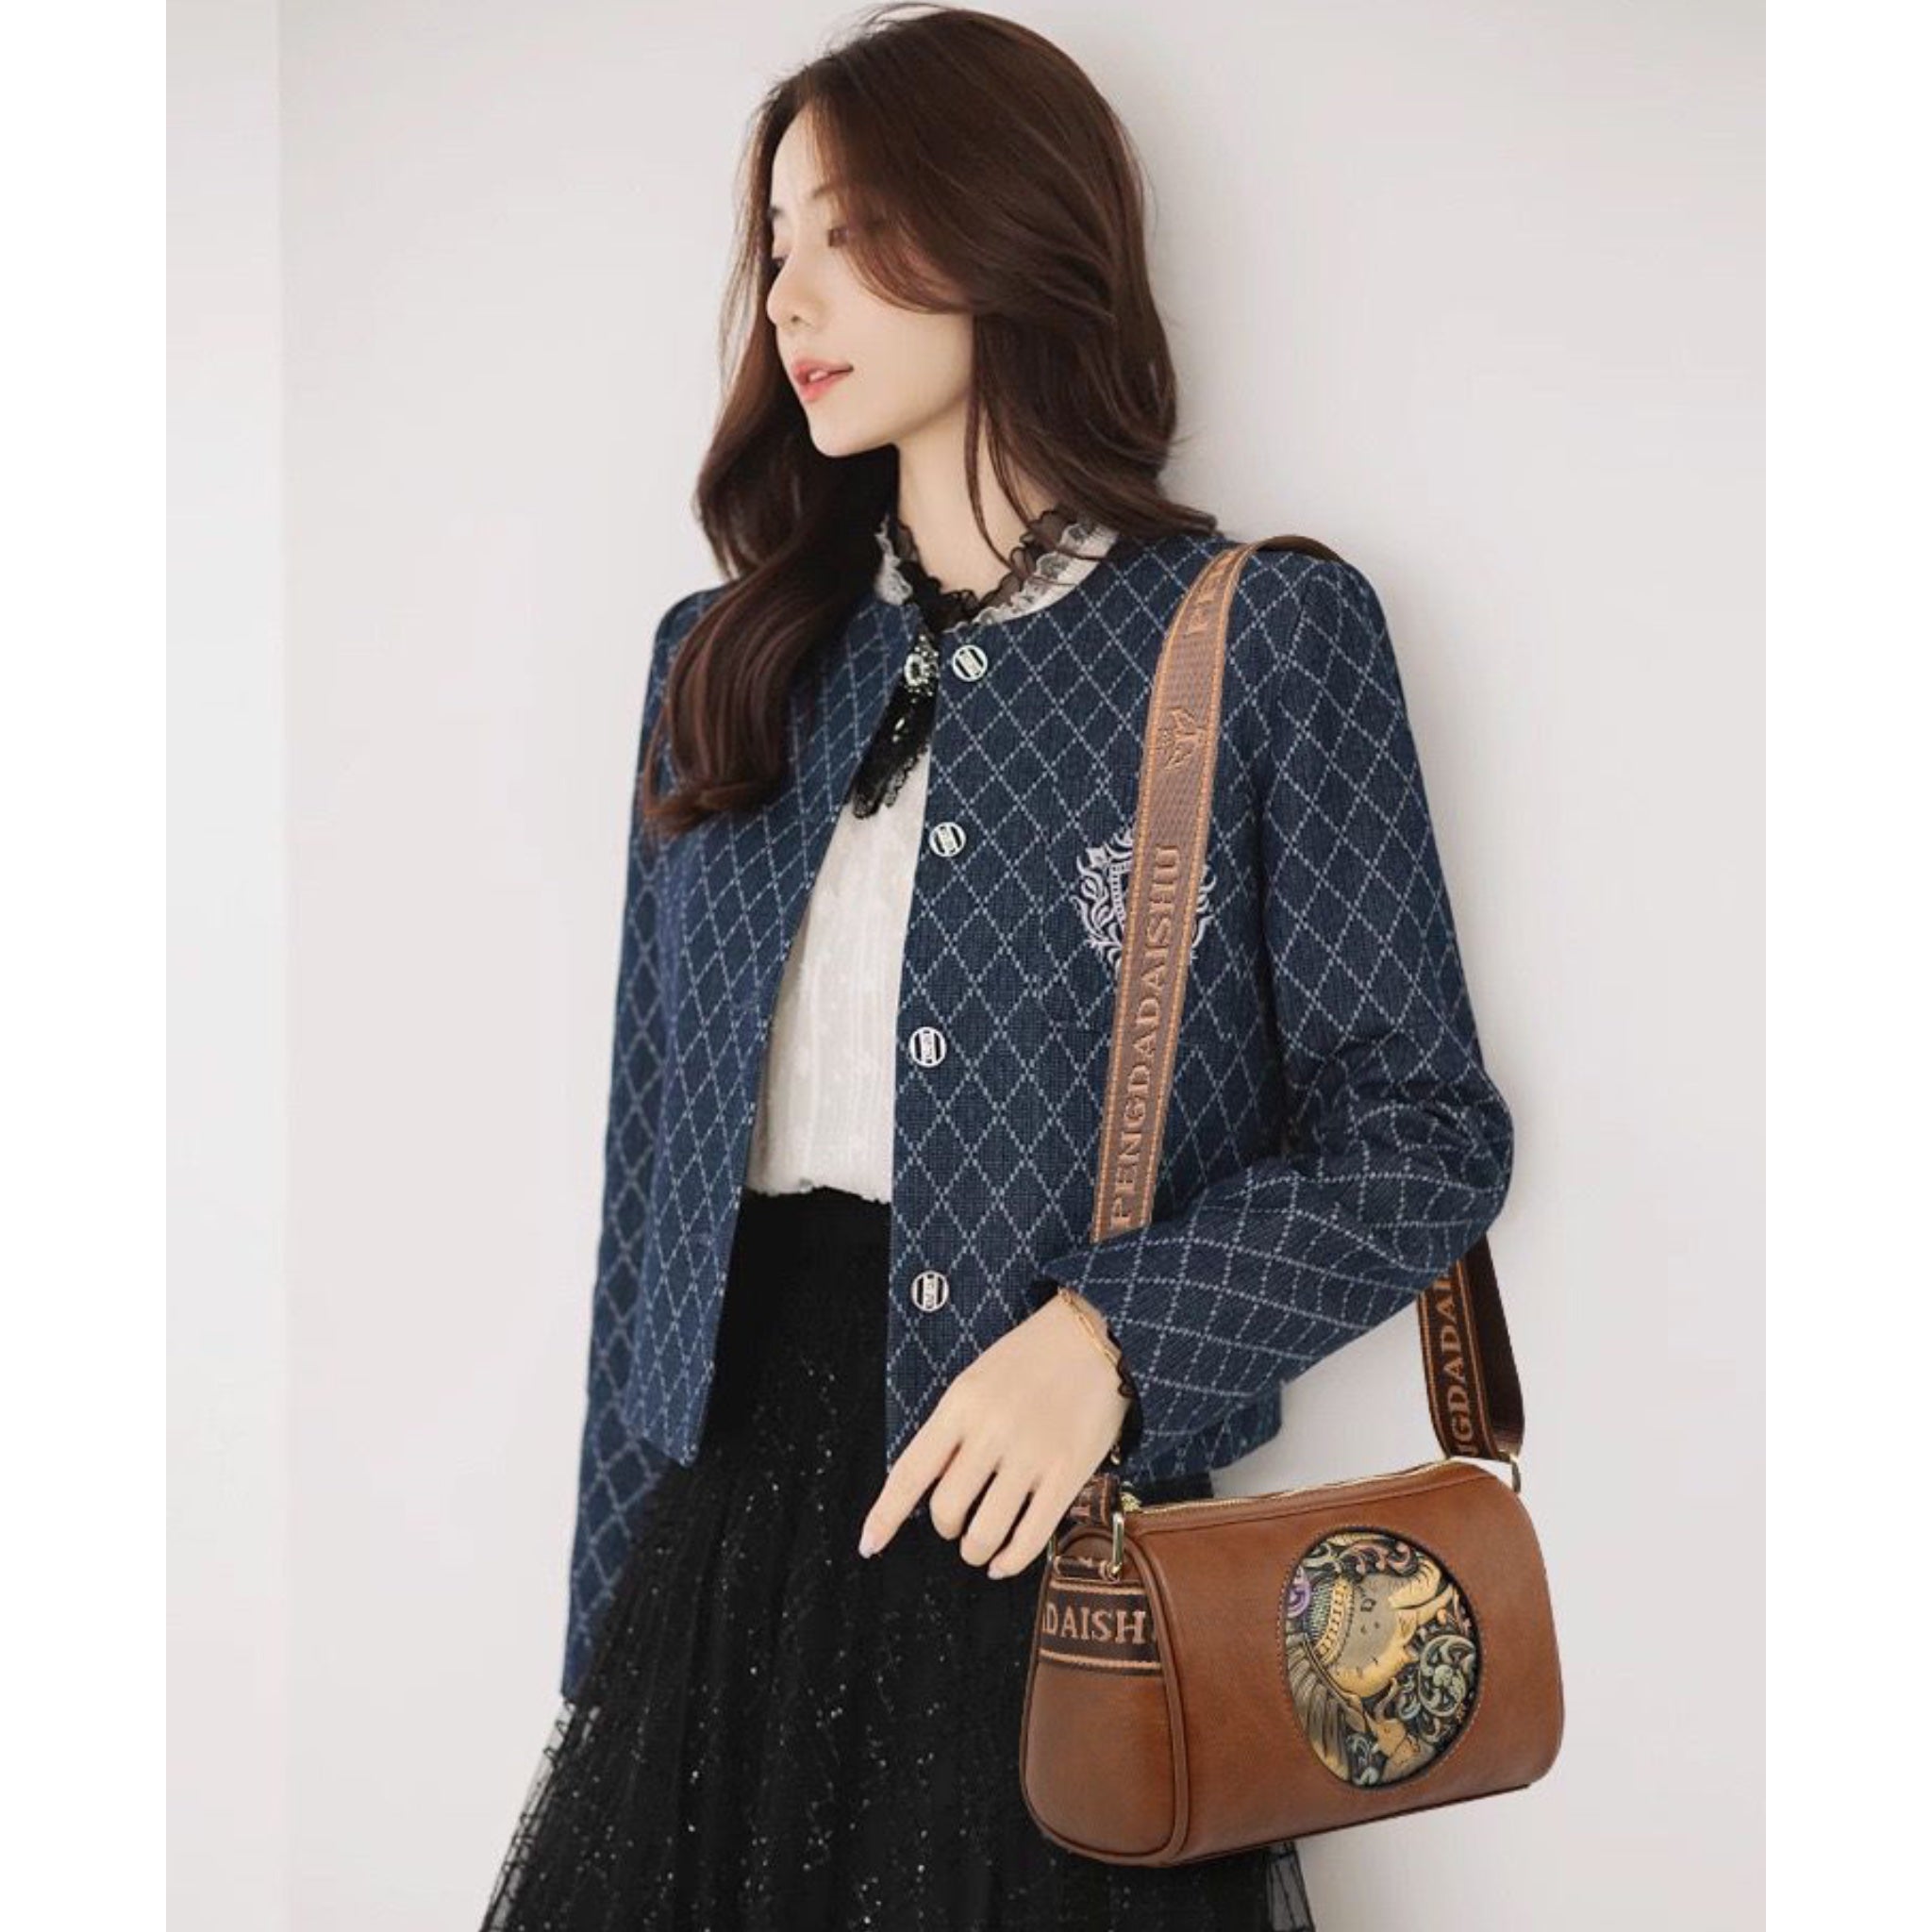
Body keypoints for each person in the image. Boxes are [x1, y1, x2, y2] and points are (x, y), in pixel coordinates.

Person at [478, 6, 1511, 1928]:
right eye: (772, 242)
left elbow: (1424, 1134)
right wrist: (603, 1656)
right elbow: (651, 1180)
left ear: (1008, 224)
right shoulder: (721, 663)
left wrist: (1114, 1340)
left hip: (1061, 1558)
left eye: (848, 228)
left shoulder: (1259, 639)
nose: (789, 294)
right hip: (720, 1580)